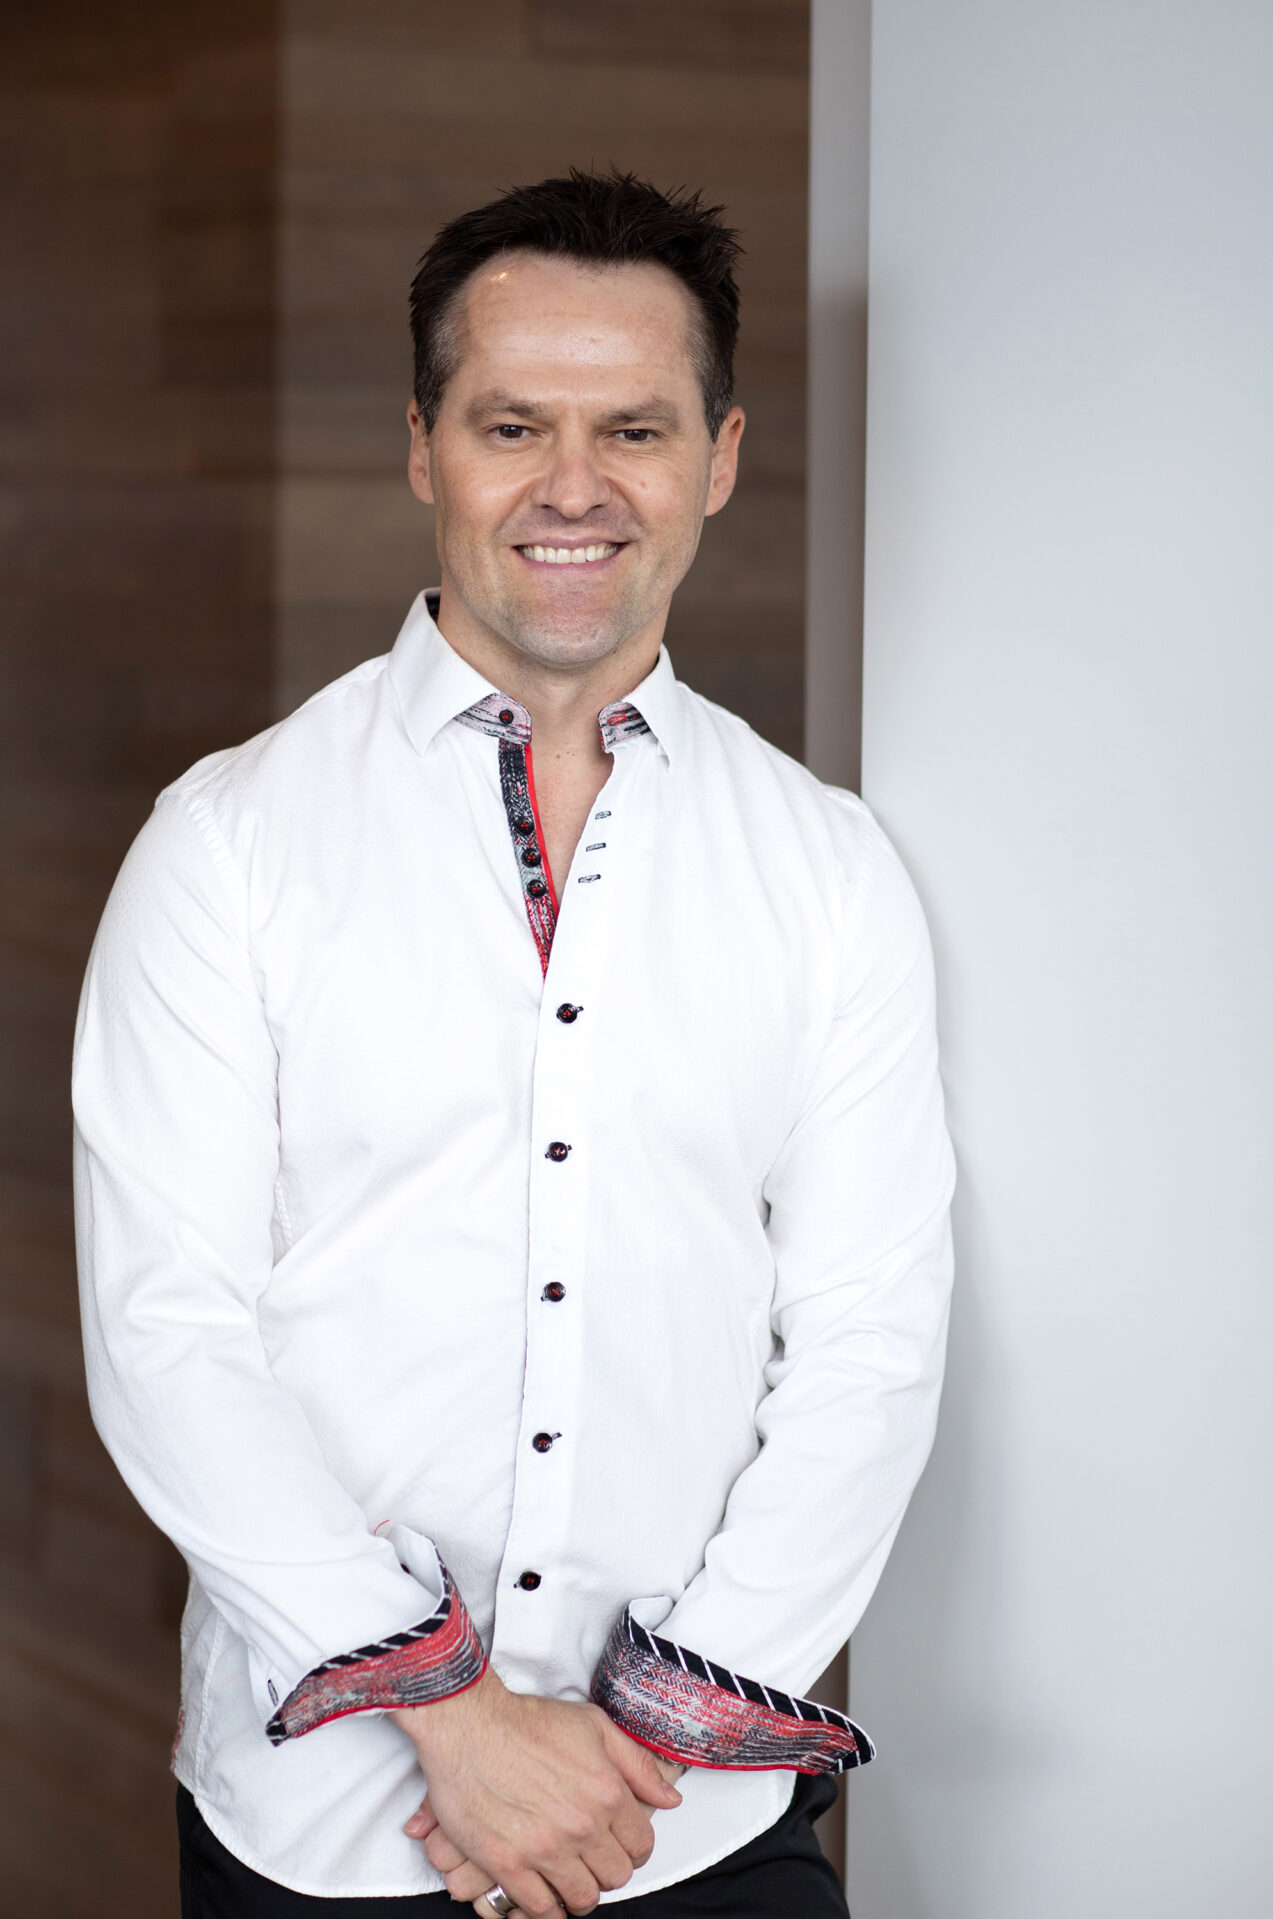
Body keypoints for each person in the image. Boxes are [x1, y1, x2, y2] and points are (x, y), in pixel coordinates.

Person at [73, 169, 955, 1919]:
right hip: (325, 1823)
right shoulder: (227, 840)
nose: (575, 487)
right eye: (511, 425)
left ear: (717, 456)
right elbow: (166, 1331)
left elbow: (868, 1343)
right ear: (424, 449)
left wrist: (642, 1745)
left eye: (634, 426)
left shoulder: (832, 871)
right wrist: (461, 1726)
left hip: (689, 1824)